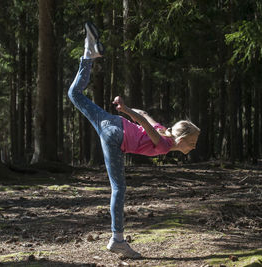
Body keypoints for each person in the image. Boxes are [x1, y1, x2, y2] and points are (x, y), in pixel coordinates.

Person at [68, 22, 200, 259]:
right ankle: (117, 239)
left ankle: (88, 54)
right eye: (191, 143)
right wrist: (127, 109)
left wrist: (123, 107)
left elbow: (147, 117)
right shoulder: (164, 144)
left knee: (74, 94)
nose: (193, 147)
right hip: (115, 136)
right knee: (119, 188)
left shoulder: (164, 131)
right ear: (181, 139)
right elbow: (145, 123)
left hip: (111, 124)